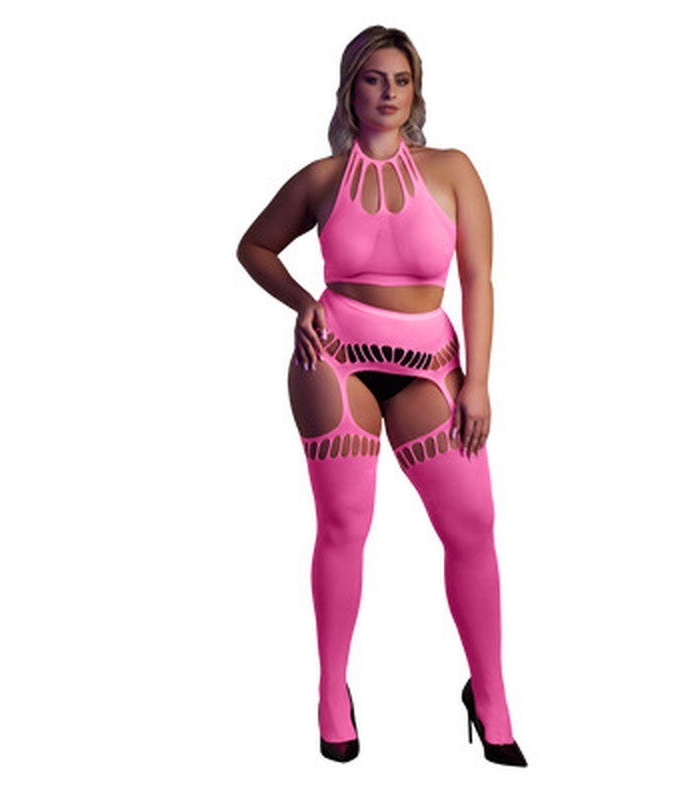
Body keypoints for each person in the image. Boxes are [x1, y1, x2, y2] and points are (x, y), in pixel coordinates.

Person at [236, 25, 526, 767]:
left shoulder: (453, 169)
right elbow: (254, 246)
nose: (388, 92)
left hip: (431, 366)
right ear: (350, 90)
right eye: (373, 78)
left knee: (473, 526)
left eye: (400, 79)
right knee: (344, 525)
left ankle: (491, 695)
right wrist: (302, 301)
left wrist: (479, 382)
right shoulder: (321, 179)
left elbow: (478, 281)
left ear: (416, 90)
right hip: (334, 359)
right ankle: (331, 694)